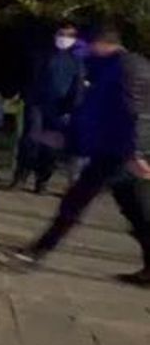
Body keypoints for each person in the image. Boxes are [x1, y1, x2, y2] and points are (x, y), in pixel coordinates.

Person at [15, 26, 150, 285]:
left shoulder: (129, 68)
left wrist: (137, 152)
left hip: (119, 153)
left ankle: (37, 251)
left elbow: (139, 113)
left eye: (86, 46)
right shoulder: (107, 69)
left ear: (102, 43)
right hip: (112, 150)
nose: (83, 51)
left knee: (75, 202)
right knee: (137, 213)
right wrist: (68, 138)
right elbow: (93, 112)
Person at [8, 24, 83, 193]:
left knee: (50, 148)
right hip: (37, 104)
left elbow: (77, 86)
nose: (65, 38)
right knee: (30, 141)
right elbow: (28, 76)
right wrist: (25, 95)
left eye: (70, 35)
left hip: (59, 109)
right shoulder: (42, 55)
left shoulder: (75, 61)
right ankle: (21, 176)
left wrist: (71, 107)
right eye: (62, 33)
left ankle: (42, 181)